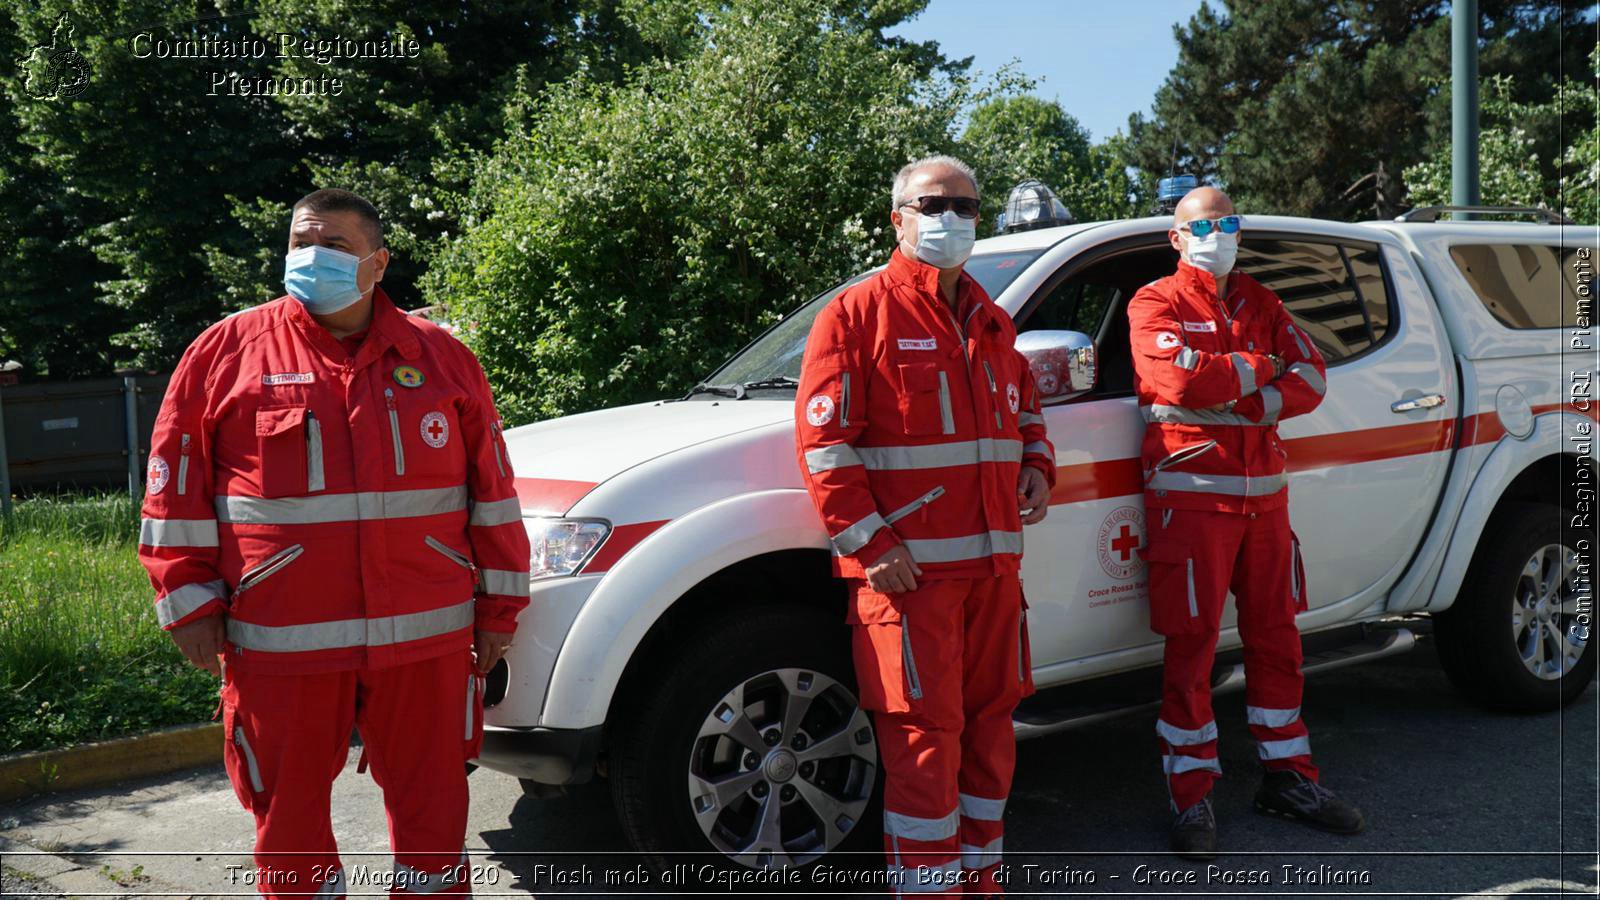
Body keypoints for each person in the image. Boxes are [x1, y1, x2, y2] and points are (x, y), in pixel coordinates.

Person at [137, 189, 531, 897]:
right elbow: (174, 487)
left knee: (435, 818)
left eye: (335, 247)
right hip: (283, 645)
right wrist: (188, 599)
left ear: (377, 265)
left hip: (425, 642)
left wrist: (499, 609)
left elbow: (493, 490)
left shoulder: (440, 358)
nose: (310, 258)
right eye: (298, 243)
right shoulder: (226, 353)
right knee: (287, 824)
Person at [794, 155, 1055, 897]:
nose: (952, 219)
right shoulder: (854, 316)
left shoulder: (992, 318)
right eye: (935, 204)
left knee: (992, 736)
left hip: (996, 578)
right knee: (923, 748)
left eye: (968, 207)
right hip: (911, 584)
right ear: (897, 217)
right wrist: (872, 546)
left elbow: (1026, 410)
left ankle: (982, 883)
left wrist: (1038, 462)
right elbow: (824, 446)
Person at [1127, 186, 1364, 858]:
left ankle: (1288, 780)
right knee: (1192, 650)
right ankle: (1192, 799)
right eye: (1201, 223)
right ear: (1176, 237)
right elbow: (1177, 383)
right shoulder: (1156, 301)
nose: (1216, 232)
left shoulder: (1261, 300)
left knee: (1278, 642)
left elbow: (1314, 379)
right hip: (1193, 503)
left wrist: (1236, 386)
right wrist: (1263, 374)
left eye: (1227, 221)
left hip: (1266, 504)